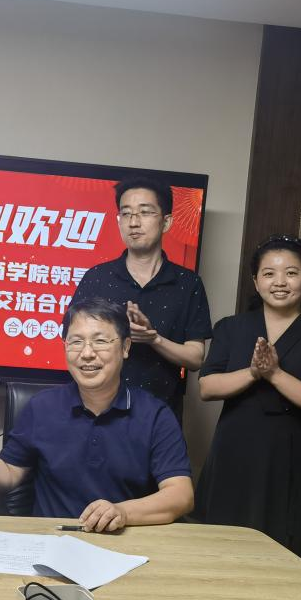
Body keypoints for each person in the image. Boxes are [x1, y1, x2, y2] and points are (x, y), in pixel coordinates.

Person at [0, 298, 194, 532]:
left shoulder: (155, 414)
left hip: (125, 541)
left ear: (125, 347)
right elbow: (11, 470)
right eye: (76, 341)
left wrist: (122, 512)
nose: (87, 353)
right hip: (52, 539)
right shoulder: (42, 407)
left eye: (100, 341)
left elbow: (181, 495)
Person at [193, 235, 301, 566]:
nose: (279, 282)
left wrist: (275, 374)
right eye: (269, 273)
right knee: (221, 548)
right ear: (255, 281)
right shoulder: (231, 328)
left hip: (293, 460)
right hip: (234, 453)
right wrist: (252, 372)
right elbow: (207, 387)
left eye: (291, 273)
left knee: (287, 555)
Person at [70, 176, 211, 419]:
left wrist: (154, 339)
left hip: (160, 414)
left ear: (166, 222)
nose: (134, 222)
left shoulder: (188, 283)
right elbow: (73, 341)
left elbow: (195, 358)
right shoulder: (97, 278)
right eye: (126, 214)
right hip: (97, 413)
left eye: (145, 212)